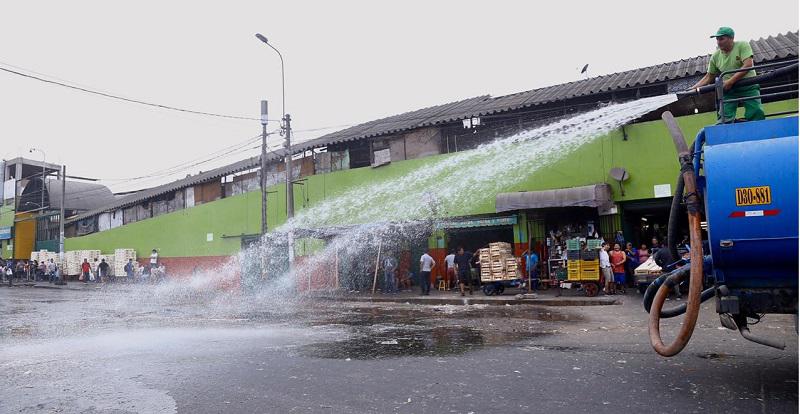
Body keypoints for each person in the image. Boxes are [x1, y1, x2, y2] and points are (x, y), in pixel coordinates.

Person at [689, 27, 764, 123]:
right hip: (729, 89)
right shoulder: (715, 56)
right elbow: (708, 77)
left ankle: (757, 127)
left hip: (748, 85)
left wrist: (730, 81)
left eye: (721, 39)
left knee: (756, 112)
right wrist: (693, 89)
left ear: (731, 38)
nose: (718, 42)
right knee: (724, 117)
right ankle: (726, 128)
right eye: (717, 39)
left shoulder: (742, 45)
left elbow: (748, 65)